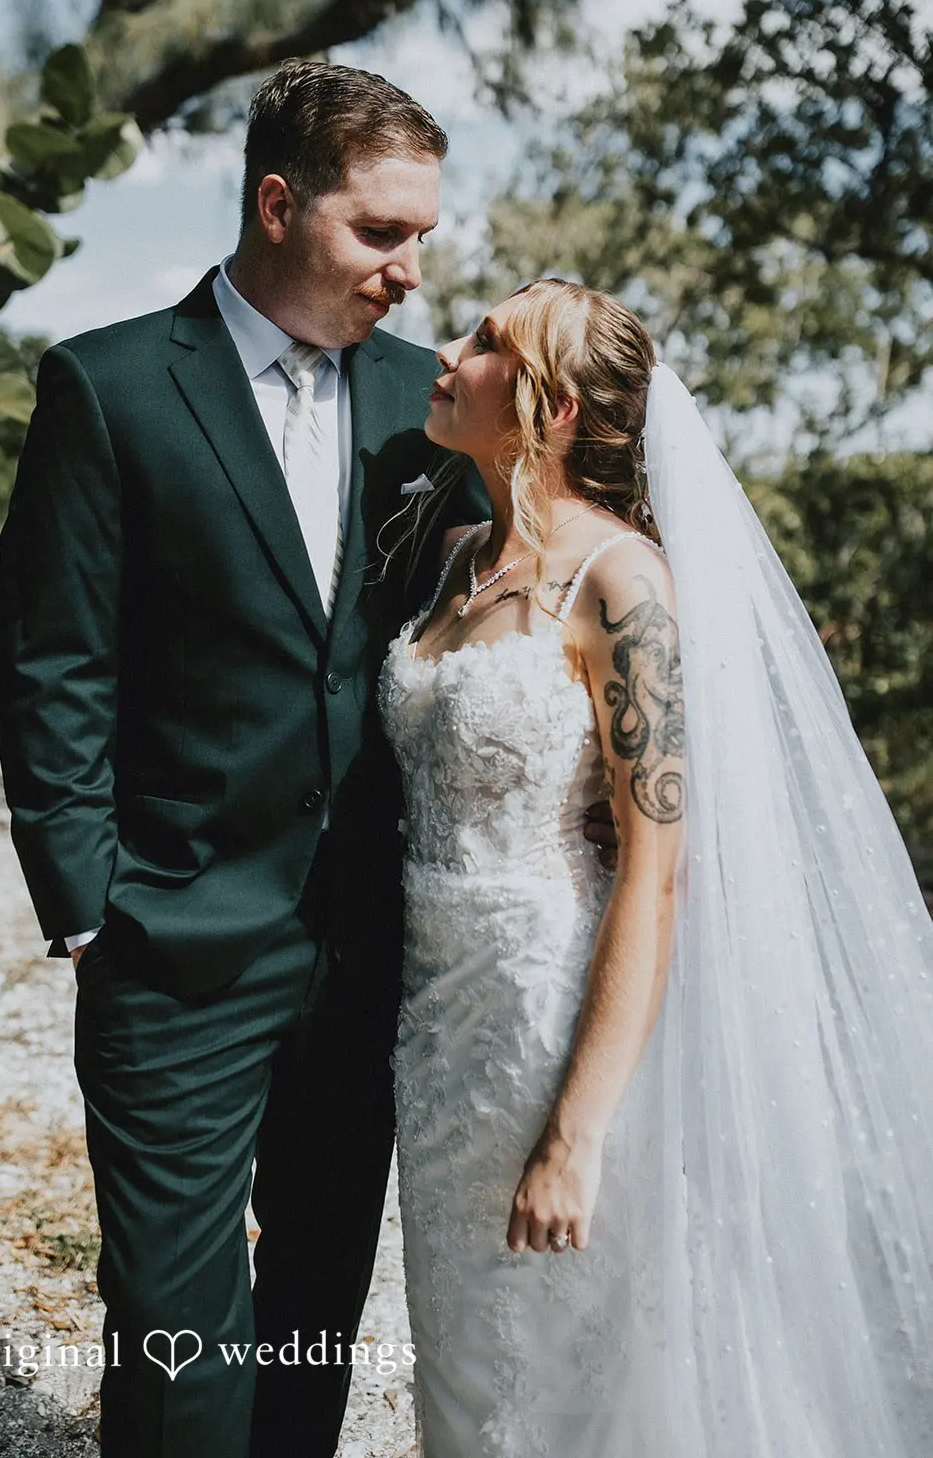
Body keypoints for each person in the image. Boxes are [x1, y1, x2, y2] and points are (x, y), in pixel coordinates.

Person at [0, 60, 618, 1458]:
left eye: (421, 238)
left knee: (314, 1314)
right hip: (173, 936)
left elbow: (539, 577)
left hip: (378, 952)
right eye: (378, 233)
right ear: (277, 204)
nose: (410, 271)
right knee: (171, 1325)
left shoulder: (431, 405)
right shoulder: (107, 392)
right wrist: (91, 907)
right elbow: (52, 669)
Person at [378, 278, 933, 1455]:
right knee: (469, 1354)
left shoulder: (622, 587)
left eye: (484, 341)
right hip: (437, 1035)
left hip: (547, 1023)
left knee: (578, 1361)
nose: (446, 348)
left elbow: (653, 876)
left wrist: (575, 1135)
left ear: (554, 406)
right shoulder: (458, 548)